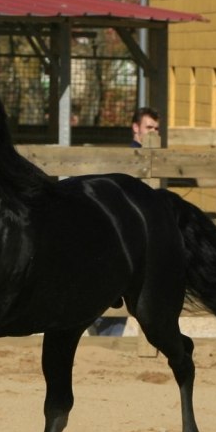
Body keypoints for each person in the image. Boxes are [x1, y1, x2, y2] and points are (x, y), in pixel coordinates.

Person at [88, 107, 161, 337]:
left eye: (156, 129)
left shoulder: (153, 160)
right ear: (136, 128)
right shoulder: (128, 161)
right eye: (149, 127)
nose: (153, 133)